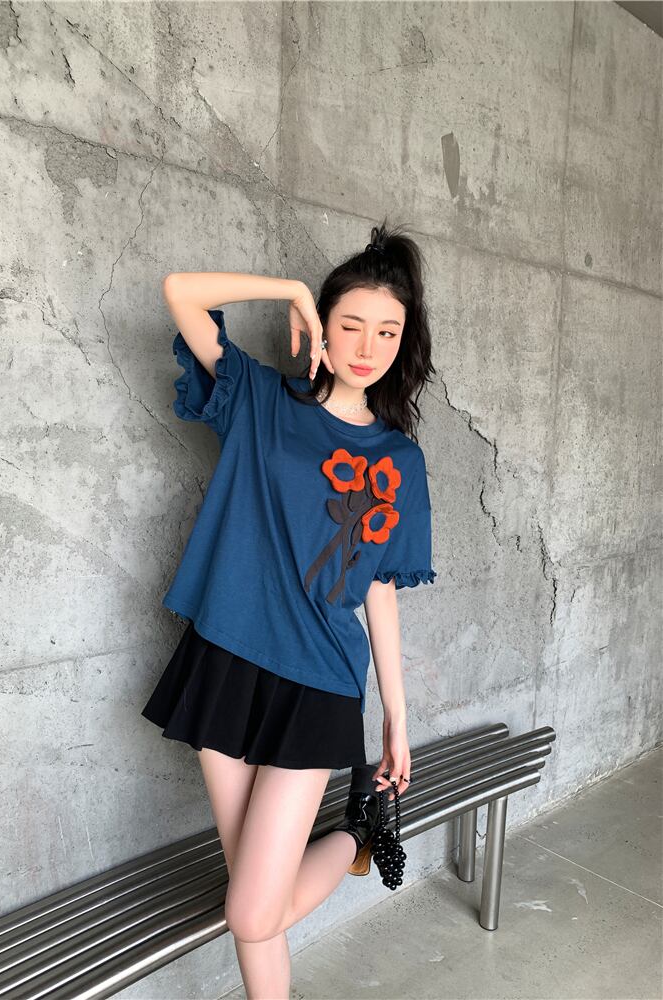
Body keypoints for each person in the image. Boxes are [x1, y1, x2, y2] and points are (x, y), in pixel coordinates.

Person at [141, 219, 437, 999]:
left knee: (250, 910)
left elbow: (379, 585)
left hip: (320, 681)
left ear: (403, 343)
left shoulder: (400, 460)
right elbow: (180, 293)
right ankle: (355, 837)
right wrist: (287, 290)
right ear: (321, 326)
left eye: (387, 331)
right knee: (256, 902)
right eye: (351, 324)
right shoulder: (260, 400)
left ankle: (353, 834)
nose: (368, 346)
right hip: (226, 657)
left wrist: (396, 716)